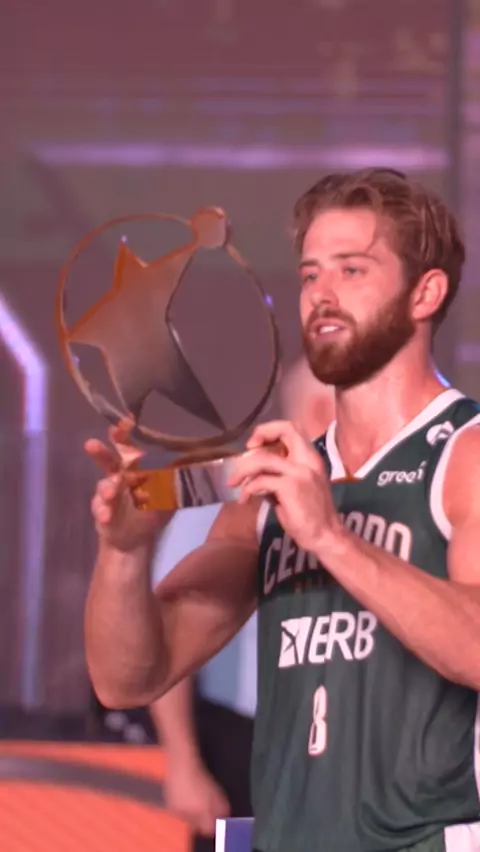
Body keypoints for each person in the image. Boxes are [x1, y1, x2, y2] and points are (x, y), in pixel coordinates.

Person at [84, 168, 480, 852]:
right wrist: (124, 553)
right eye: (309, 274)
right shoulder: (276, 486)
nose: (322, 294)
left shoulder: (465, 454)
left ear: (426, 292)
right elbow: (128, 679)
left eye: (352, 270)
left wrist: (331, 538)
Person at [148, 367, 334, 850]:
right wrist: (183, 764)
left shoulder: (364, 502)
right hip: (239, 749)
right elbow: (169, 634)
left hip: (339, 750)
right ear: (322, 411)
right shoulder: (225, 491)